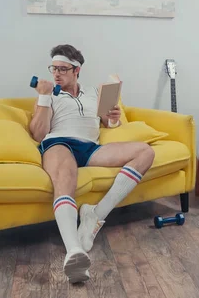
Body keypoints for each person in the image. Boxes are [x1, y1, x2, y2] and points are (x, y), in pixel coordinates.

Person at [29, 44, 155, 283]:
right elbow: (38, 133)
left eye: (62, 69)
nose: (56, 74)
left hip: (90, 148)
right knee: (66, 174)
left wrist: (113, 119)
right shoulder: (48, 94)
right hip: (59, 144)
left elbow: (107, 123)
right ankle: (74, 251)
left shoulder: (93, 93)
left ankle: (95, 215)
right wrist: (44, 97)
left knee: (145, 152)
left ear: (77, 70)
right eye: (53, 68)